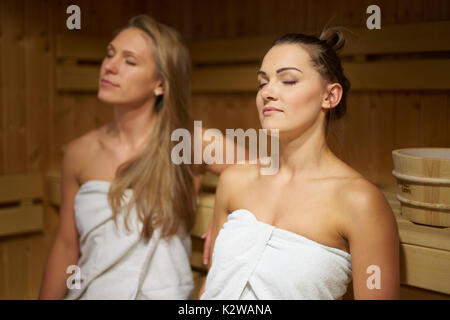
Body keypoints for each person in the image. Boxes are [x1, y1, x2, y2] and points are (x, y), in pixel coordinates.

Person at [38, 15, 237, 300]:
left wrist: (227, 211)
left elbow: (271, 170)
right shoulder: (80, 152)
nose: (109, 66)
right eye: (109, 54)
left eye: (129, 61)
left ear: (161, 84)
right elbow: (66, 247)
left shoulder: (189, 142)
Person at [200, 28, 400, 300]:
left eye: (288, 80)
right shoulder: (235, 181)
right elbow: (212, 288)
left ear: (330, 96)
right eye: (262, 83)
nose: (268, 92)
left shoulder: (359, 202)